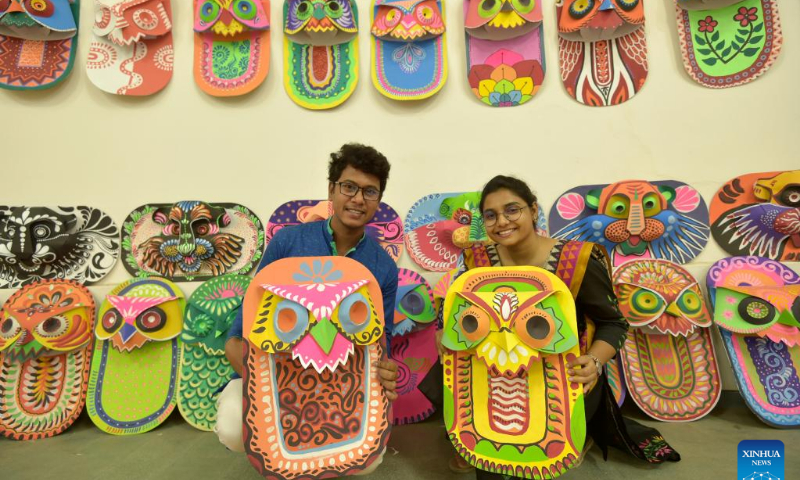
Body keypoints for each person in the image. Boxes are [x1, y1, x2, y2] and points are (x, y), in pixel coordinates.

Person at [435, 175, 680, 478]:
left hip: (559, 374)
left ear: (534, 210)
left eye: (513, 210)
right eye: (491, 215)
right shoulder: (477, 261)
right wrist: (441, 331)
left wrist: (593, 361)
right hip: (495, 372)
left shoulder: (577, 260)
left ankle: (580, 432)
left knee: (537, 458)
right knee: (488, 455)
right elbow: (456, 311)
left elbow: (614, 322)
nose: (502, 221)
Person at [216, 143, 400, 460]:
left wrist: (385, 373)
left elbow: (379, 341)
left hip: (341, 385)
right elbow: (243, 326)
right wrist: (269, 389)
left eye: (370, 191)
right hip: (273, 375)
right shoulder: (288, 242)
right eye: (349, 187)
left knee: (372, 451)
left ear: (378, 201)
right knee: (234, 427)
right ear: (331, 189)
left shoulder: (382, 267)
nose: (358, 199)